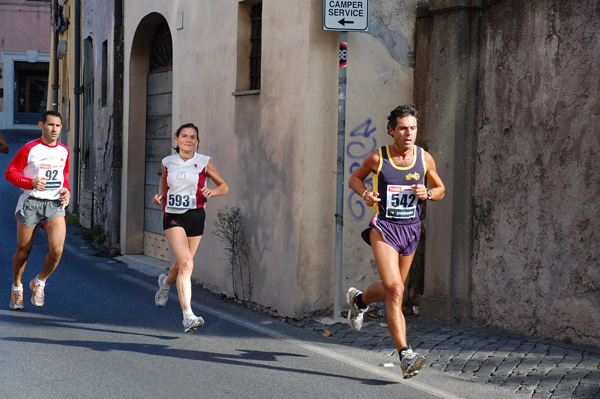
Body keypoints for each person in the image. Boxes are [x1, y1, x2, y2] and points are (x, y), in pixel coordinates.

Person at [347, 104, 445, 378]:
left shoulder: (424, 159)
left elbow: (440, 189)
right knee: (394, 289)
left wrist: (428, 193)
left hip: (410, 230)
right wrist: (366, 194)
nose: (408, 133)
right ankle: (406, 354)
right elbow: (355, 178)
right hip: (384, 228)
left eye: (413, 128)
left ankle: (360, 301)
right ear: (392, 130)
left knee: (395, 289)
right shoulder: (379, 158)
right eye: (403, 128)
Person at [153, 123, 228, 332]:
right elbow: (164, 180)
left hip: (195, 216)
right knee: (187, 264)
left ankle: (165, 283)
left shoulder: (204, 162)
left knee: (180, 266)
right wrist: (160, 195)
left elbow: (224, 186)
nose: (188, 140)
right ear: (176, 140)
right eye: (184, 136)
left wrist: (214, 192)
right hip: (173, 216)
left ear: (197, 141)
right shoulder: (168, 162)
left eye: (193, 137)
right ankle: (188, 316)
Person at [4, 110, 70, 310]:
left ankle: (39, 282)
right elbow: (10, 173)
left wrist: (66, 188)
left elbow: (63, 173)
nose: (54, 129)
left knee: (57, 250)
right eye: (50, 125)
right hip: (31, 203)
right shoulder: (29, 149)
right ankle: (17, 289)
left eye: (57, 126)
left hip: (54, 205)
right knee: (24, 251)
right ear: (41, 125)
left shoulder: (64, 151)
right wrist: (30, 182)